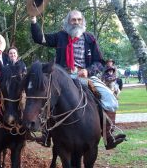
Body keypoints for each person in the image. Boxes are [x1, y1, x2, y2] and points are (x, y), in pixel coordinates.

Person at [30, 10, 126, 150]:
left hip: (85, 77)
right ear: (68, 22)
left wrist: (88, 70)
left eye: (79, 20)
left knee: (109, 98)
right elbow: (40, 38)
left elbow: (99, 62)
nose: (76, 22)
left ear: (83, 21)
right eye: (73, 20)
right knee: (48, 98)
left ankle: (108, 135)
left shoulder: (90, 38)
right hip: (62, 77)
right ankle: (46, 134)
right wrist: (33, 20)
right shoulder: (60, 36)